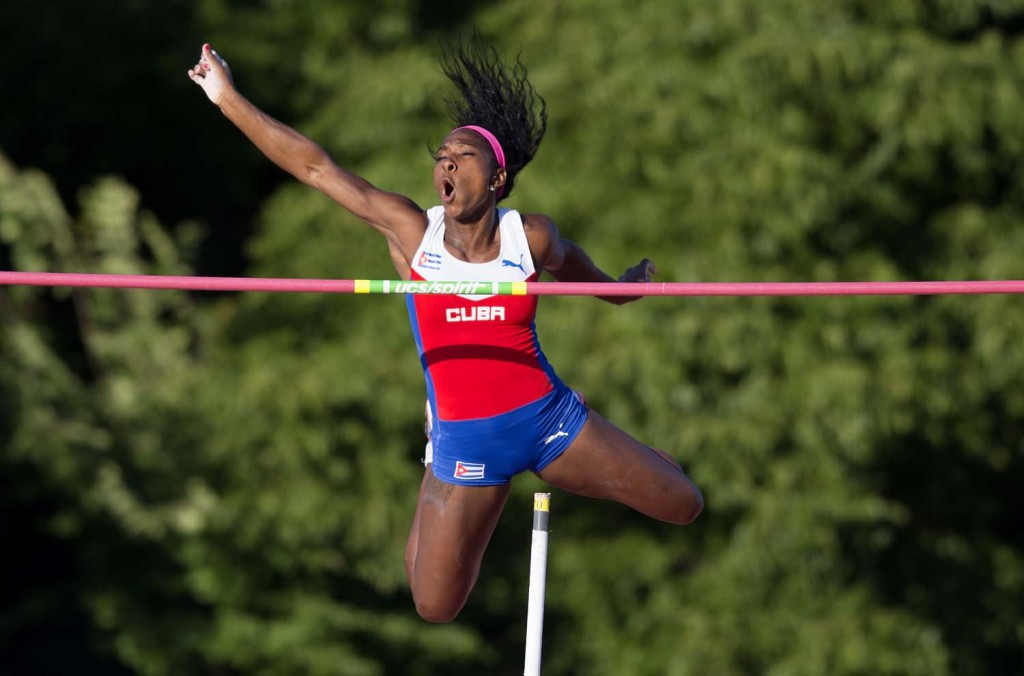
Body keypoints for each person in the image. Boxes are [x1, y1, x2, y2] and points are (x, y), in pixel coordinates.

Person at [188, 36, 703, 623]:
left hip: (550, 421)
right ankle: (436, 466)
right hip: (466, 446)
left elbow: (574, 267)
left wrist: (623, 289)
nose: (448, 163)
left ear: (498, 178)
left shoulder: (530, 236)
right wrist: (225, 96)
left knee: (684, 504)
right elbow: (314, 167)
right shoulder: (412, 233)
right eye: (442, 156)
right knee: (434, 605)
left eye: (464, 155)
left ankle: (643, 457)